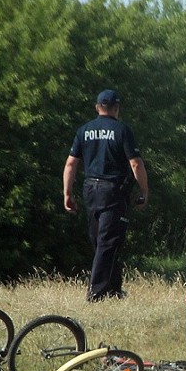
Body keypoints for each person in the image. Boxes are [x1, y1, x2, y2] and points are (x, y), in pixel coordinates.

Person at [63, 89, 149, 302]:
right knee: (108, 242)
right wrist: (144, 190)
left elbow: (71, 163)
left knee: (101, 241)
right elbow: (135, 163)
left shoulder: (84, 130)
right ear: (116, 108)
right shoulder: (121, 130)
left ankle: (113, 289)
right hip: (113, 190)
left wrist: (67, 193)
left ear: (97, 107)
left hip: (90, 189)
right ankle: (97, 292)